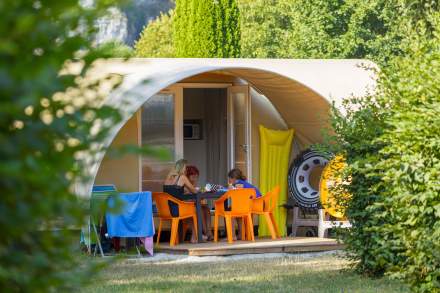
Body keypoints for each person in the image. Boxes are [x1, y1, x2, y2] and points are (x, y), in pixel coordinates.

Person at [163, 159, 198, 243]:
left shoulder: (167, 178)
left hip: (167, 210)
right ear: (182, 168)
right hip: (177, 209)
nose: (186, 170)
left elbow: (173, 192)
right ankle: (194, 237)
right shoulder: (182, 177)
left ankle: (180, 238)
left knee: (190, 208)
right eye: (185, 168)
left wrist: (183, 191)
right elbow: (194, 191)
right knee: (195, 210)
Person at [227, 168, 262, 240]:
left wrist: (231, 188)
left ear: (234, 178)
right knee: (236, 210)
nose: (229, 181)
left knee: (231, 210)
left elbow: (236, 192)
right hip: (259, 204)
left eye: (229, 179)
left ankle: (232, 236)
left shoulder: (238, 183)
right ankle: (241, 235)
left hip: (254, 205)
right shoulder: (244, 183)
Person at [186, 165, 213, 241]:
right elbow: (189, 196)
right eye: (193, 176)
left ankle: (209, 232)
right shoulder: (186, 184)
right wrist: (202, 190)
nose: (195, 179)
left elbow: (196, 196)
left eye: (196, 177)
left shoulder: (193, 184)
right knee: (200, 209)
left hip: (193, 205)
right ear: (188, 176)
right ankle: (205, 233)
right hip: (186, 207)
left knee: (206, 208)